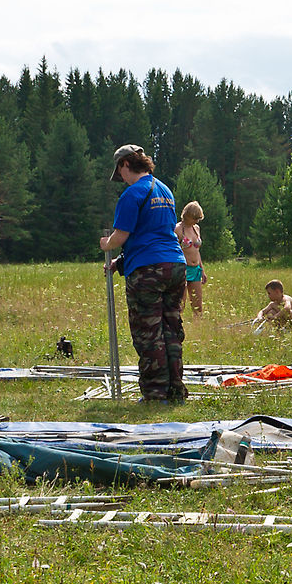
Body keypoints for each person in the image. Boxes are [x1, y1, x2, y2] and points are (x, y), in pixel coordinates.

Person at [99, 144, 188, 404]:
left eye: (120, 173)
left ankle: (155, 394)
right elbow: (156, 233)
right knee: (171, 330)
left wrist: (106, 244)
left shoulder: (132, 193)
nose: (121, 180)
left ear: (126, 165)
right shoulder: (165, 190)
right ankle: (175, 392)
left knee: (149, 333)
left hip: (148, 271)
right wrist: (122, 261)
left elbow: (121, 236)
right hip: (175, 266)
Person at [174, 201, 207, 318]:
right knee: (180, 305)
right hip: (183, 269)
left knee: (198, 306)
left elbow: (197, 251)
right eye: (195, 218)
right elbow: (173, 251)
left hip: (196, 269)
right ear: (187, 215)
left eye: (198, 219)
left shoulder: (196, 228)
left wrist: (202, 270)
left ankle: (199, 329)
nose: (196, 221)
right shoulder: (177, 229)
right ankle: (177, 329)